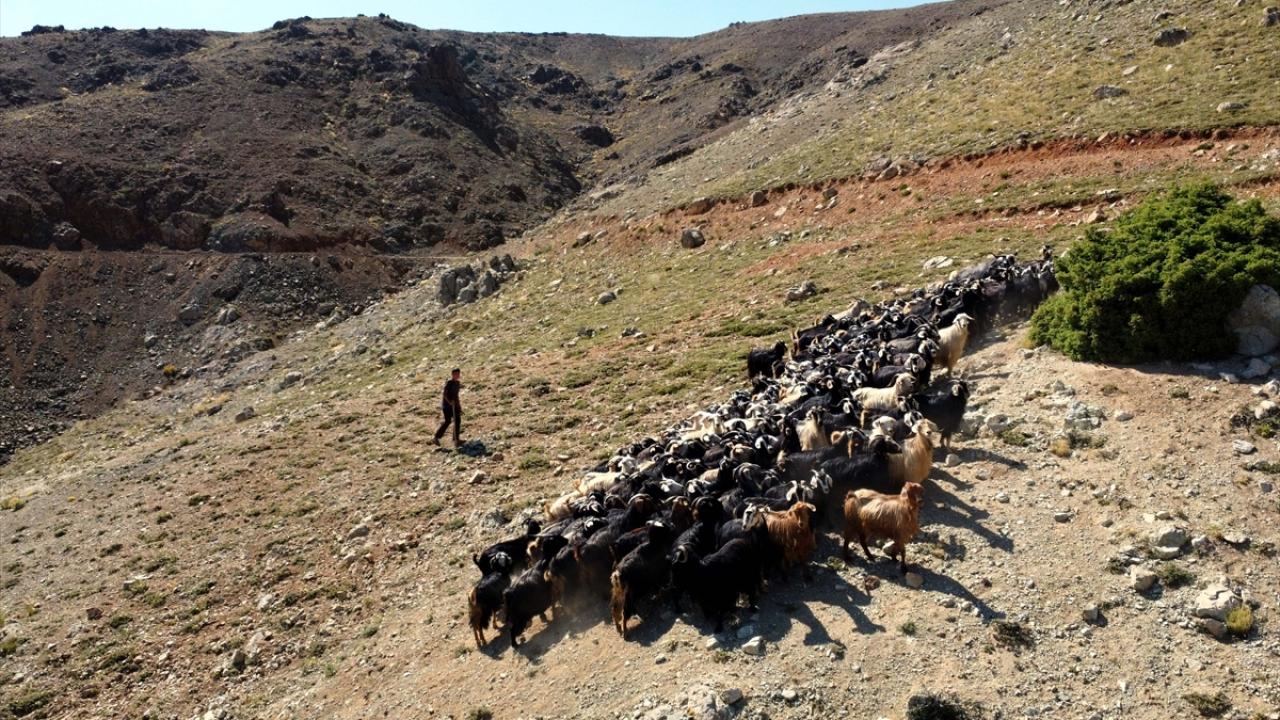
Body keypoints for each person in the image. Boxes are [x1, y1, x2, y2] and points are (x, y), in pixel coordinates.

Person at [433, 368, 462, 446]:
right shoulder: (449, 382)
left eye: (458, 374)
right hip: (446, 406)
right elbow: (444, 394)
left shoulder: (458, 383)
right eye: (456, 374)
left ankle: (456, 439)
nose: (457, 375)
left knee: (457, 421)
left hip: (454, 405)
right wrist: (449, 402)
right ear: (452, 374)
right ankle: (436, 437)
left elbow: (456, 395)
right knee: (447, 421)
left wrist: (459, 405)